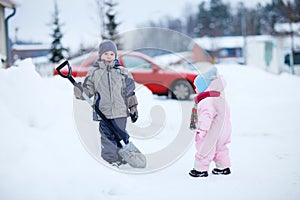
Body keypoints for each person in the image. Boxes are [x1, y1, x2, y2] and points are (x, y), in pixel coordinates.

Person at [74, 40, 139, 167]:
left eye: (111, 54)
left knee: (121, 134)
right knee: (107, 137)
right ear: (100, 55)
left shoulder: (123, 73)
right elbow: (88, 91)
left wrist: (133, 108)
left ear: (115, 56)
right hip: (103, 111)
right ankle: (110, 159)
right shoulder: (94, 73)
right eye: (106, 54)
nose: (109, 56)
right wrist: (79, 91)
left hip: (120, 111)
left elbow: (130, 92)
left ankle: (123, 156)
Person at [189, 67, 232, 177]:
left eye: (197, 87)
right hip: (223, 132)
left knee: (205, 150)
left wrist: (202, 129)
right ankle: (223, 167)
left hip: (210, 133)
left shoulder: (207, 101)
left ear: (204, 88)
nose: (195, 90)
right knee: (220, 150)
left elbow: (206, 116)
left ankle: (200, 170)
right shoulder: (220, 98)